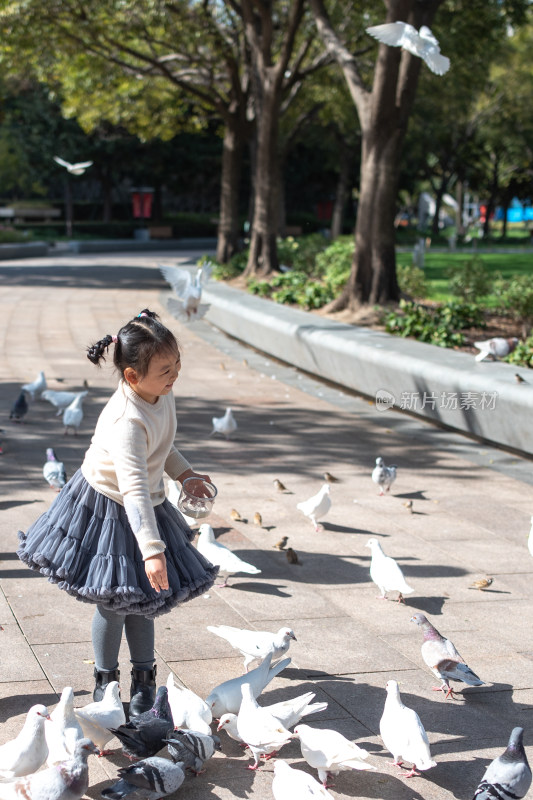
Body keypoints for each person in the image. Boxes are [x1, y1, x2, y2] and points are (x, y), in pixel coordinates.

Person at [17, 309, 218, 716]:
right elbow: (133, 487)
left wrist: (186, 474)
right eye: (165, 368)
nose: (174, 374)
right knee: (114, 600)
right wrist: (152, 549)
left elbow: (162, 446)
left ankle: (144, 677)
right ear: (131, 376)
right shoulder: (127, 420)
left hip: (144, 502)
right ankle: (105, 680)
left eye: (177, 363)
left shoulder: (160, 391)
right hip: (109, 505)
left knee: (145, 599)